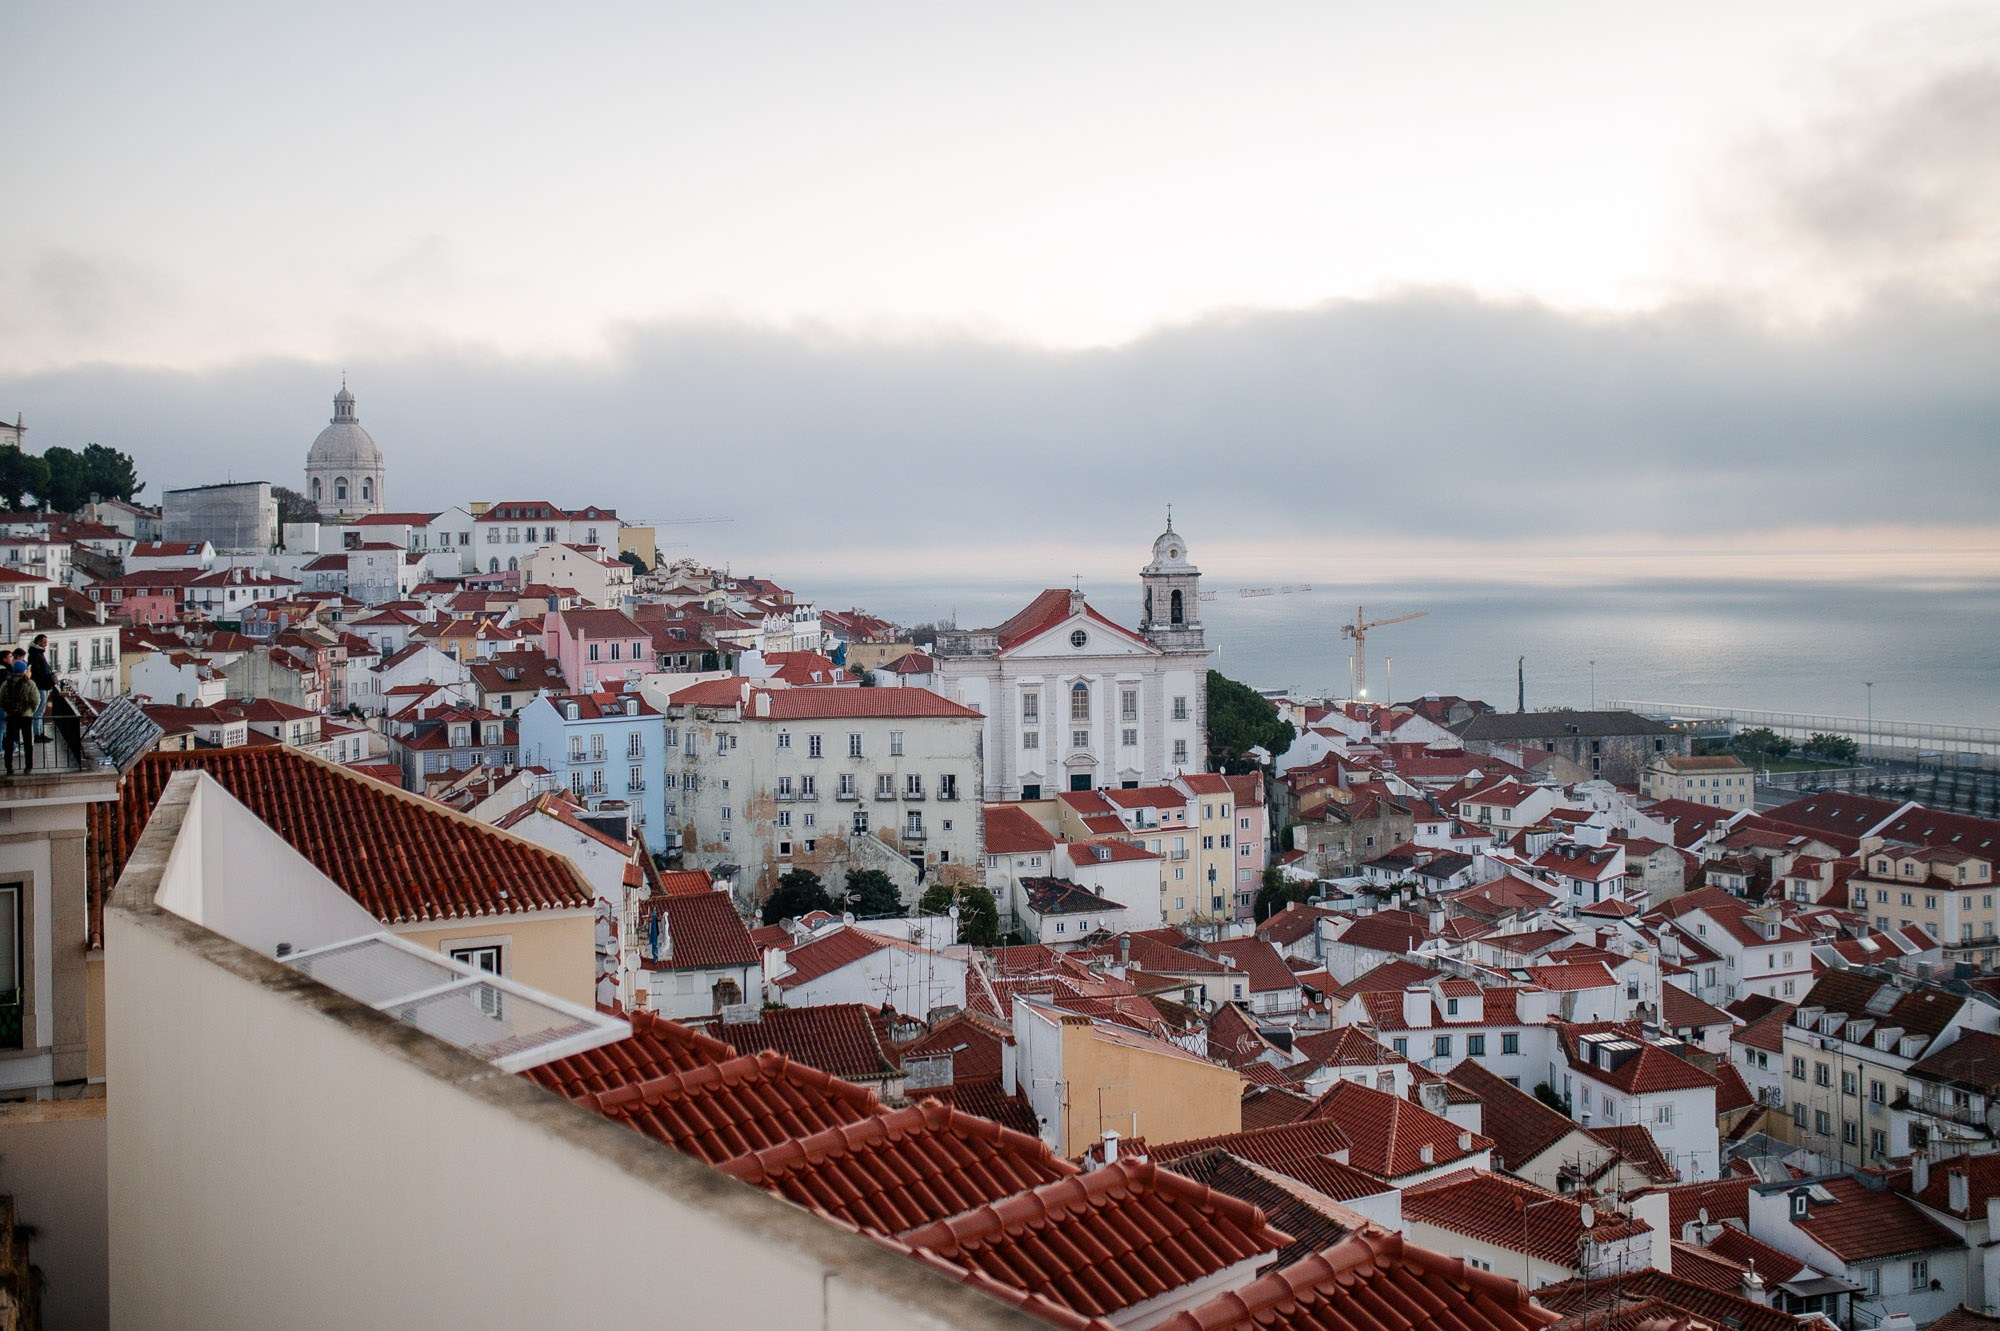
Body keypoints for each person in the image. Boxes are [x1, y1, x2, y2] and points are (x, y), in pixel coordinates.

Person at [2, 660, 39, 776]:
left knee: (9, 742)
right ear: (24, 670)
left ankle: (9, 768)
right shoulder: (29, 683)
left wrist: (8, 710)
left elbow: (1, 698)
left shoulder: (6, 683)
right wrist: (31, 710)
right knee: (28, 742)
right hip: (25, 716)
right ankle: (28, 767)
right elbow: (36, 700)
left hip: (11, 716)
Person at [26, 634, 54, 741]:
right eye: (44, 642)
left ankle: (40, 733)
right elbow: (37, 672)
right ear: (38, 642)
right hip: (41, 686)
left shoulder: (37, 654)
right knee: (39, 711)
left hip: (43, 686)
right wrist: (48, 678)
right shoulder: (36, 655)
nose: (46, 644)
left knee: (40, 711)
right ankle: (38, 734)